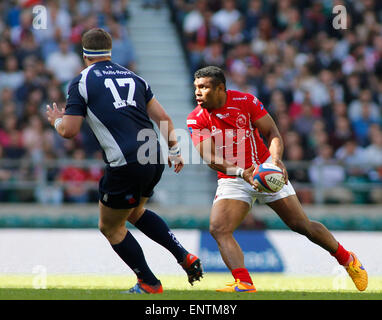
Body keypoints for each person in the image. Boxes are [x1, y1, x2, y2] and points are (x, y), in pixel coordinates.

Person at [46, 28, 203, 294]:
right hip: (153, 155)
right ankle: (183, 255)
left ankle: (149, 282)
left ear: (84, 55)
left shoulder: (82, 81)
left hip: (125, 161)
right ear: (110, 51)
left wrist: (56, 121)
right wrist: (175, 150)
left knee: (109, 226)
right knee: (134, 212)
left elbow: (69, 131)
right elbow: (163, 118)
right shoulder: (135, 78)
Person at [186, 66, 367, 292]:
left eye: (203, 87)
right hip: (233, 177)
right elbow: (209, 156)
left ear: (220, 88)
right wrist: (241, 172)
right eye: (196, 88)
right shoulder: (196, 118)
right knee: (218, 228)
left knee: (301, 225)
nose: (198, 92)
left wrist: (275, 160)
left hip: (264, 171)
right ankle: (244, 282)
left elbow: (272, 132)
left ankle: (348, 260)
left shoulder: (246, 101)